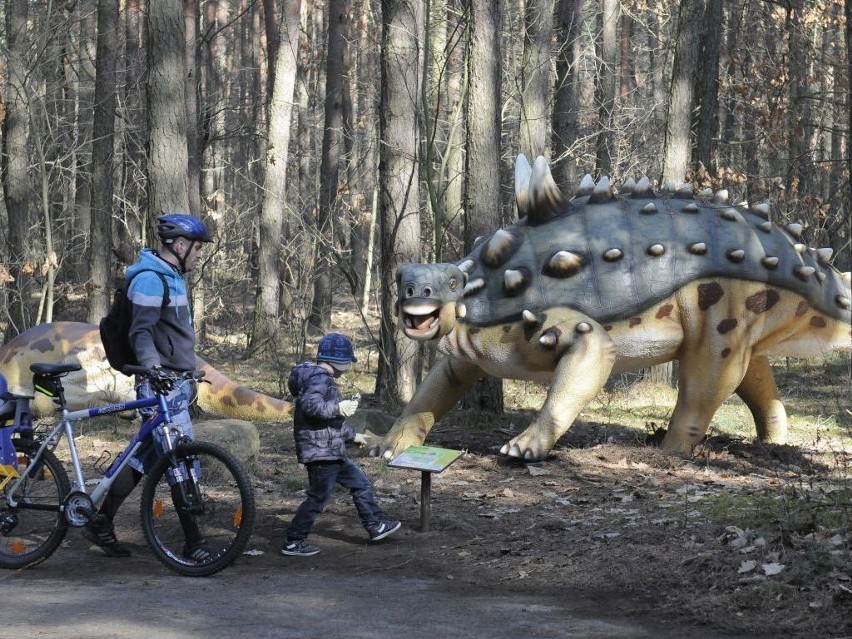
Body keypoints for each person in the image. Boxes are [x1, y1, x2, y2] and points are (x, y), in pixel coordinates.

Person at [82, 213, 213, 560]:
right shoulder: (151, 281)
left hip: (176, 381)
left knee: (144, 458)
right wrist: (155, 371)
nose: (200, 254)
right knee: (179, 459)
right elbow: (141, 333)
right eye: (198, 248)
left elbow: (171, 333)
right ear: (181, 245)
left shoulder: (172, 277)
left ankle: (99, 520)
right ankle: (194, 542)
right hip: (160, 384)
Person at [282, 333, 401, 557]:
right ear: (340, 362)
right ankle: (293, 540)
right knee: (318, 497)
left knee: (360, 483)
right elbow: (311, 408)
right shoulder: (319, 378)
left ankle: (375, 525)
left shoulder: (319, 379)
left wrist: (352, 435)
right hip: (321, 454)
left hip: (330, 450)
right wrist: (338, 408)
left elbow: (329, 422)